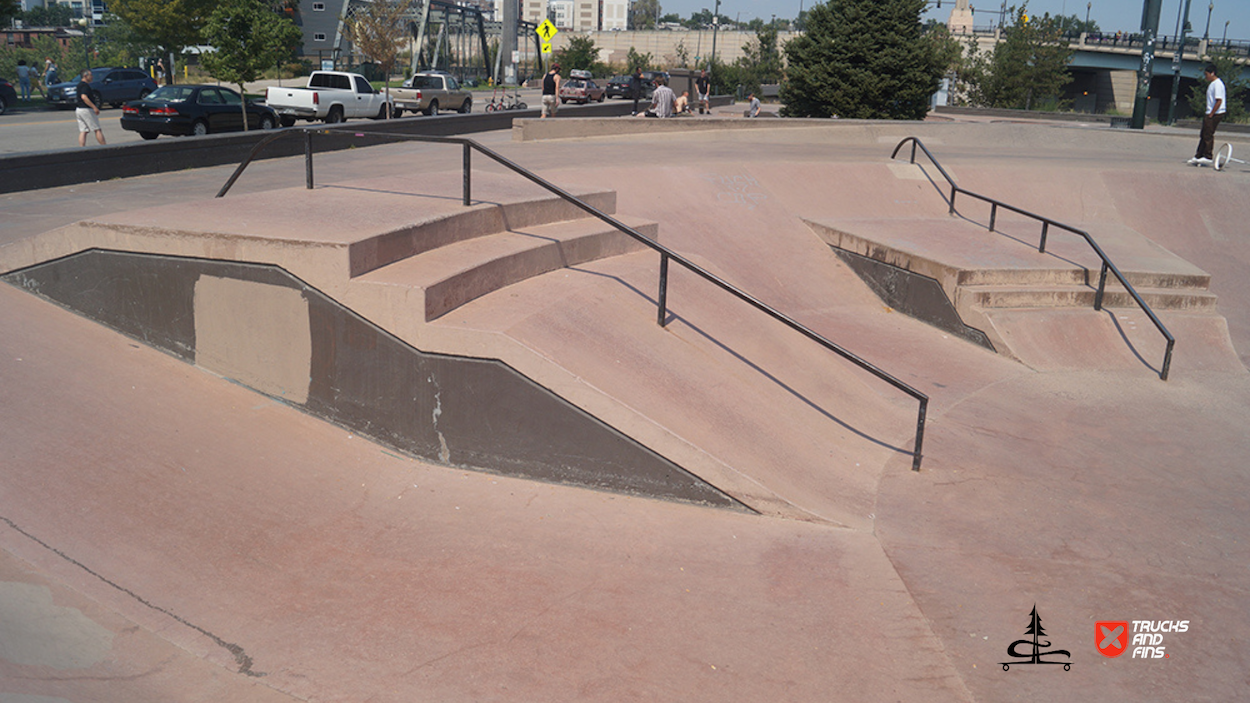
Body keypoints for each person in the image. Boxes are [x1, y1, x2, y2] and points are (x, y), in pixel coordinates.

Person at [1188, 63, 1226, 167]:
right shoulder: (1213, 84)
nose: (1206, 77)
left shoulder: (1218, 84)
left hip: (1215, 113)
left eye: (1206, 74)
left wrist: (1211, 114)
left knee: (1208, 134)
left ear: (1212, 73)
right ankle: (1199, 155)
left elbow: (1219, 100)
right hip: (1210, 112)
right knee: (1204, 133)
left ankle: (1208, 156)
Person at [75, 69, 106, 147]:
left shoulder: (79, 85)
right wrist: (94, 107)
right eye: (90, 75)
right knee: (97, 129)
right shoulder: (85, 86)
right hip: (86, 110)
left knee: (83, 131)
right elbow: (84, 97)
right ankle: (105, 147)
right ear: (85, 76)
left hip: (79, 110)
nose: (92, 77)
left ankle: (81, 148)